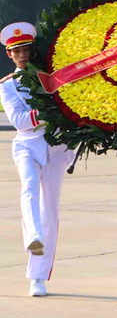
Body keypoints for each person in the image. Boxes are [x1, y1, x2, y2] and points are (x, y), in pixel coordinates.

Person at [0, 23, 74, 297]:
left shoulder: (52, 77)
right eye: (17, 51)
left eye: (26, 49)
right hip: (27, 147)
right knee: (28, 189)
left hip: (55, 149)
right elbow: (20, 121)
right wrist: (48, 109)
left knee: (50, 214)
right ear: (10, 55)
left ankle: (38, 276)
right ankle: (33, 235)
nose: (22, 55)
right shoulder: (8, 86)